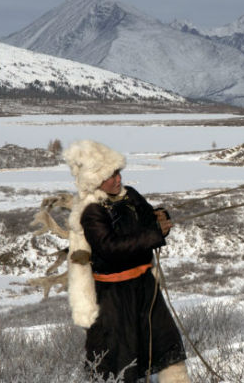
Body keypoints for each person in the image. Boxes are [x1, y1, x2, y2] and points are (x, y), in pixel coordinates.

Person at [63, 140, 190, 383]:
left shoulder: (130, 195)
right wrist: (155, 234)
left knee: (166, 345)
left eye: (118, 172)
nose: (117, 179)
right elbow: (110, 248)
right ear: (93, 180)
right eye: (110, 176)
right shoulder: (92, 212)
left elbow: (145, 218)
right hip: (114, 296)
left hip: (144, 286)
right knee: (121, 358)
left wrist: (158, 217)